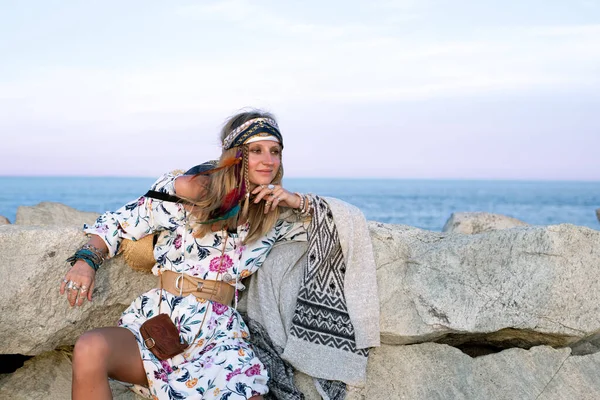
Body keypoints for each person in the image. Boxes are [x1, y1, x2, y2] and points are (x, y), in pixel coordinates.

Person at [60, 110, 315, 400]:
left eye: (275, 151)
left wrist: (297, 200)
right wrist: (86, 262)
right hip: (160, 323)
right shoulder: (187, 193)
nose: (268, 160)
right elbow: (117, 222)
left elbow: (335, 227)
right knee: (90, 347)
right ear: (236, 154)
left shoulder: (274, 214)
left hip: (219, 336)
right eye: (256, 150)